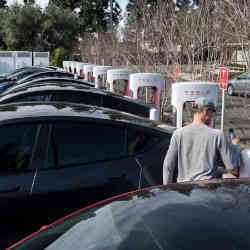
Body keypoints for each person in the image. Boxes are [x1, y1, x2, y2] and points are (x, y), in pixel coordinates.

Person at [163, 97, 238, 184]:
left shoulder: (178, 133)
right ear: (205, 111)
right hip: (206, 190)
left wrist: (166, 190)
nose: (212, 116)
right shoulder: (217, 135)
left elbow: (168, 166)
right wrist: (234, 146)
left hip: (184, 191)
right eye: (212, 112)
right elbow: (232, 166)